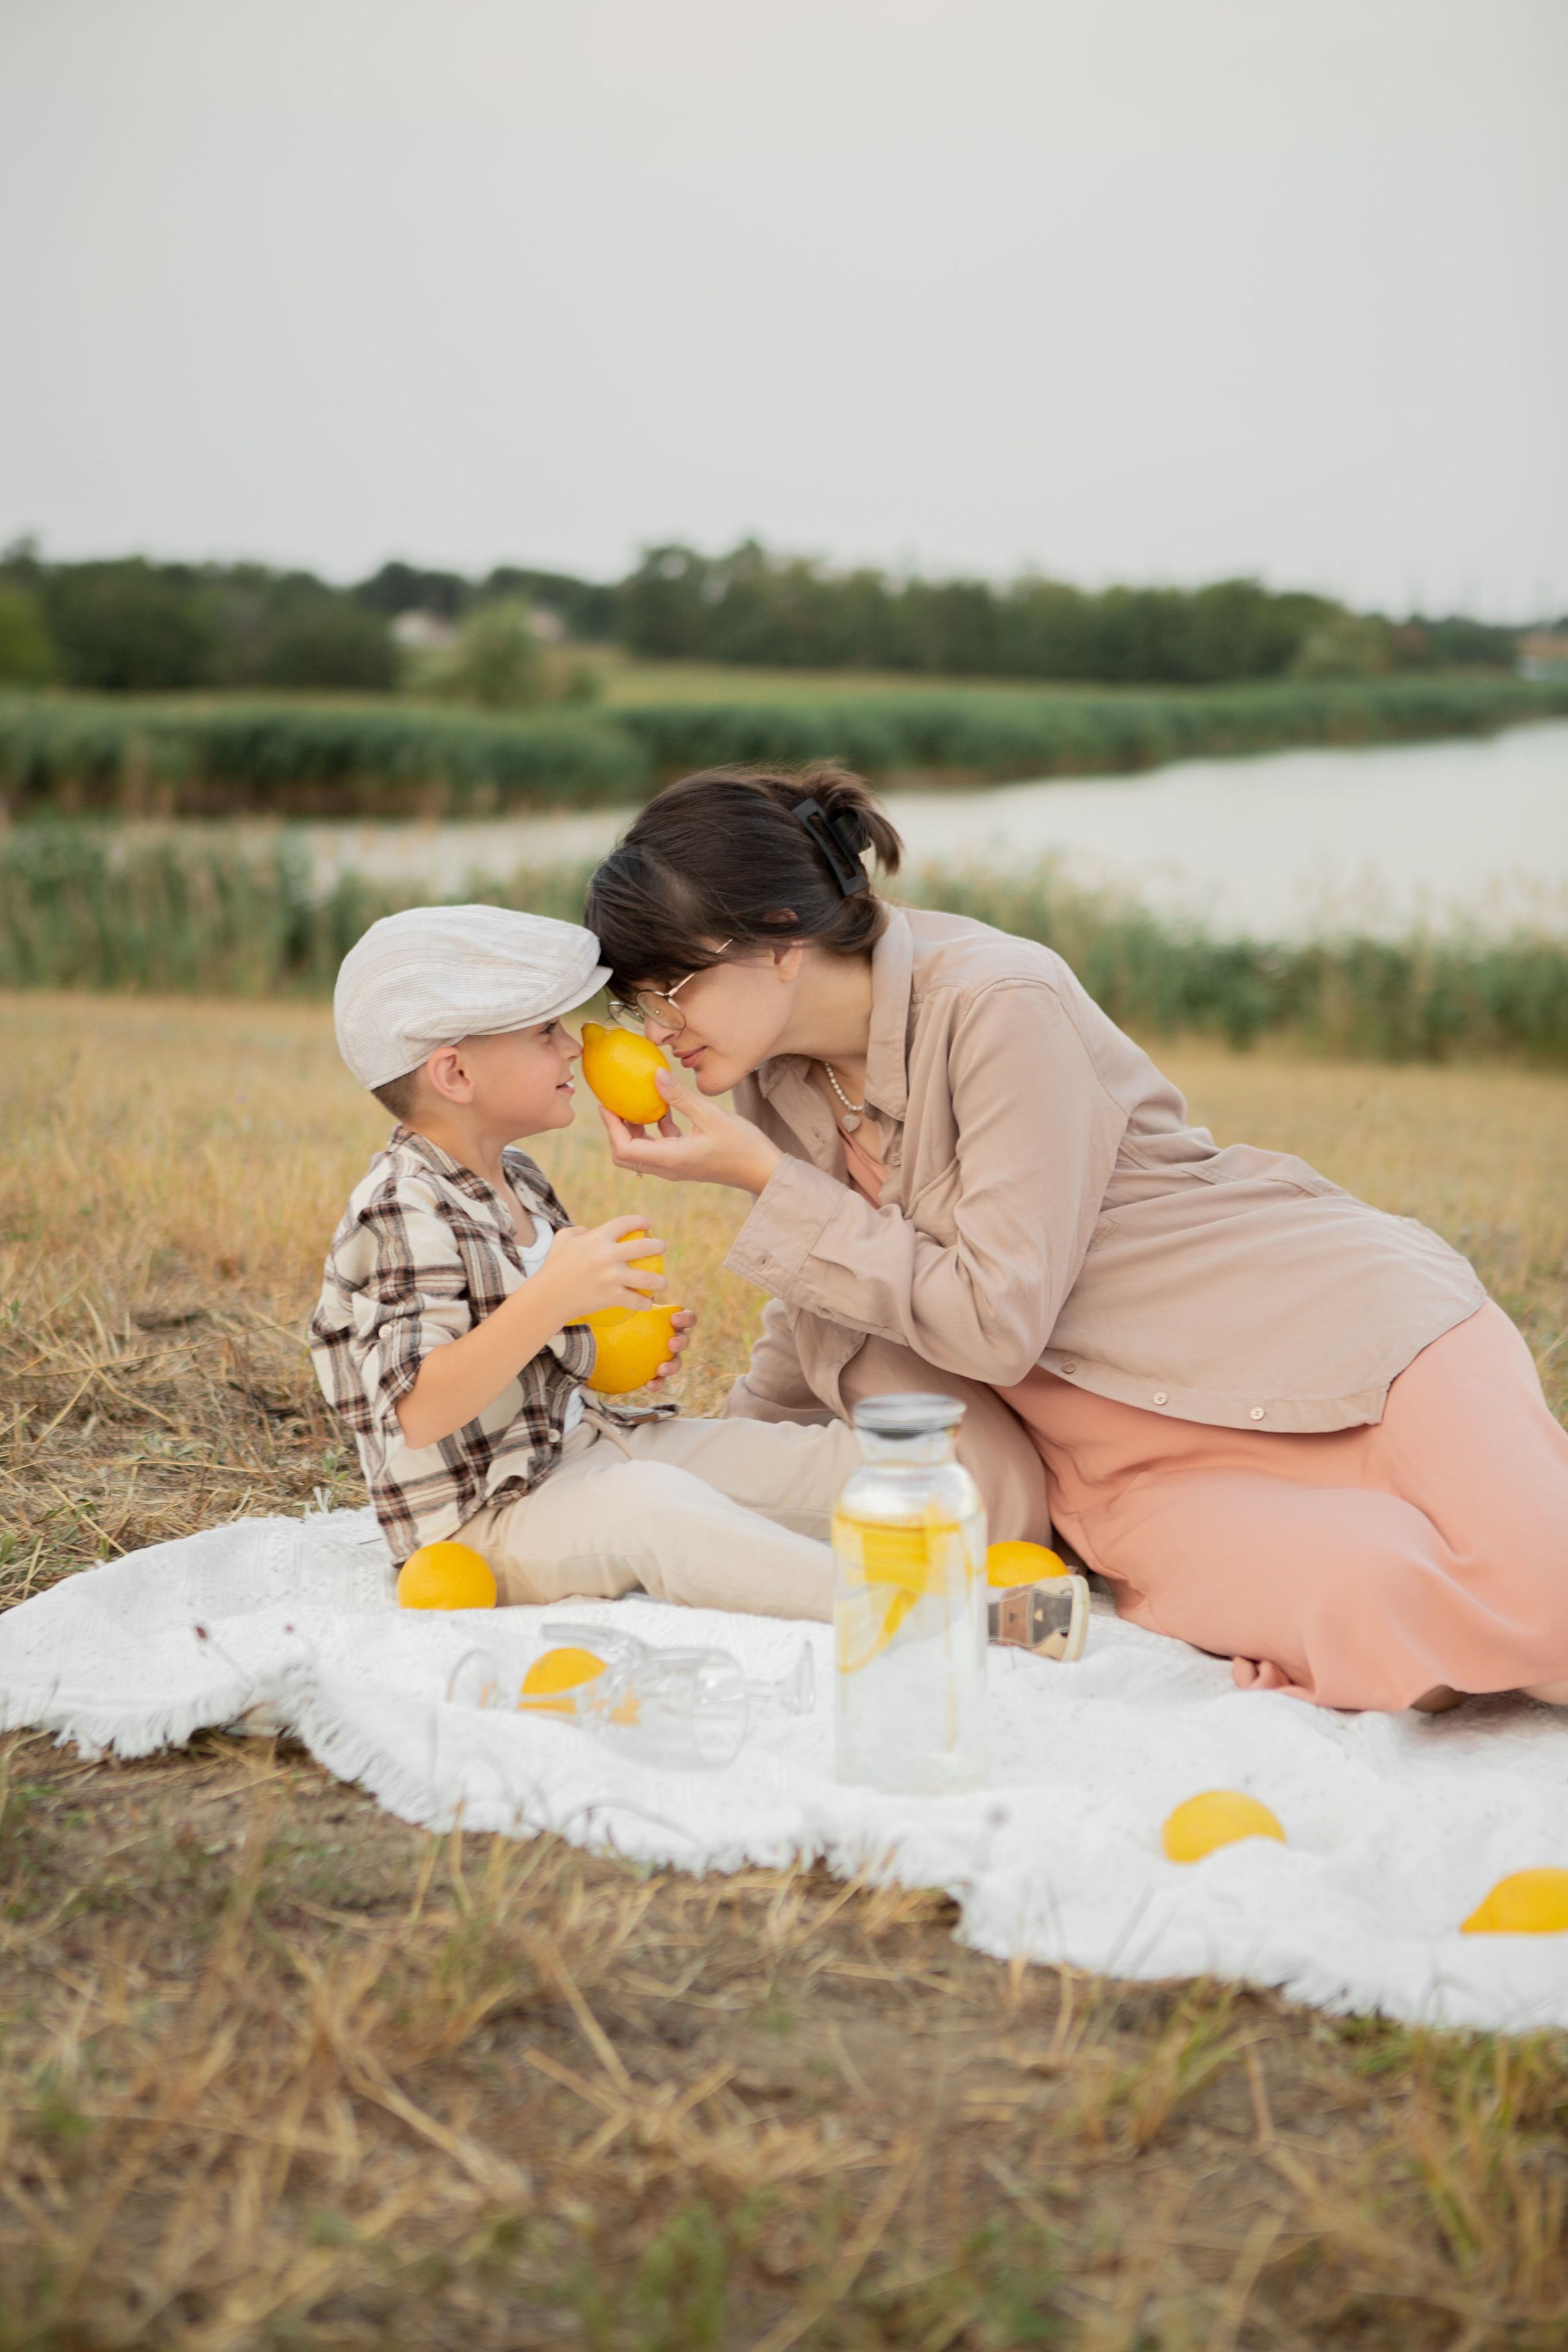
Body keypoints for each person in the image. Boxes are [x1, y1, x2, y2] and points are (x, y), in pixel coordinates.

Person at [584, 764, 1568, 1714]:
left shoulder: (1000, 1003)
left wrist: (764, 1180)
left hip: (1343, 1342)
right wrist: (729, 1453)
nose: (656, 1028)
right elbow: (823, 1299)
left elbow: (995, 1323)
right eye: (638, 999)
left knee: (1550, 1604)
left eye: (674, 984)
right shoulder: (769, 1073)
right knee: (1367, 1602)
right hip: (1125, 1468)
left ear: (781, 939)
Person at [310, 903, 865, 1619]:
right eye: (546, 1032)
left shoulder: (520, 1177)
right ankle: (931, 1615)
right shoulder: (399, 1208)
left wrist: (613, 1349)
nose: (574, 1048)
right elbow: (417, 1409)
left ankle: (977, 1539)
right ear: (455, 1073)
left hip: (586, 1449)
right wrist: (551, 1295)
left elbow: (537, 1353)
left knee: (823, 1464)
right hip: (488, 1523)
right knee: (654, 1510)